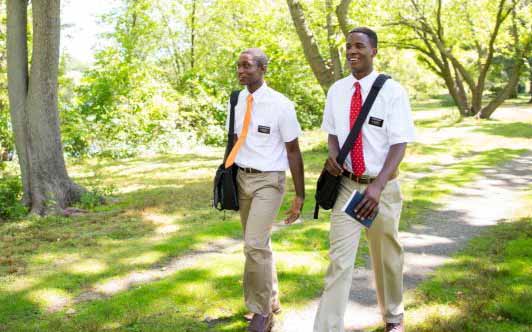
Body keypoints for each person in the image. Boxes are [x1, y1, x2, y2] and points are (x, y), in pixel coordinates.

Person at [313, 27, 415, 332]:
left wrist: (378, 185)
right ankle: (327, 328)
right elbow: (333, 132)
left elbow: (399, 144)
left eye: (359, 46)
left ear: (374, 51)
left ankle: (393, 317)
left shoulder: (392, 92)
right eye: (348, 47)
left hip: (380, 189)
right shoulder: (337, 91)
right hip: (346, 186)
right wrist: (333, 155)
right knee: (339, 261)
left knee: (386, 258)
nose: (352, 51)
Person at [225, 48, 305, 332]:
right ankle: (271, 300)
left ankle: (261, 314)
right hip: (242, 179)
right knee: (259, 244)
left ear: (263, 69)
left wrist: (299, 194)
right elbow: (234, 139)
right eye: (238, 66)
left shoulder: (281, 105)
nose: (240, 71)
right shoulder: (236, 101)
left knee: (254, 245)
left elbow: (294, 152)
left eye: (246, 66)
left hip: (269, 180)